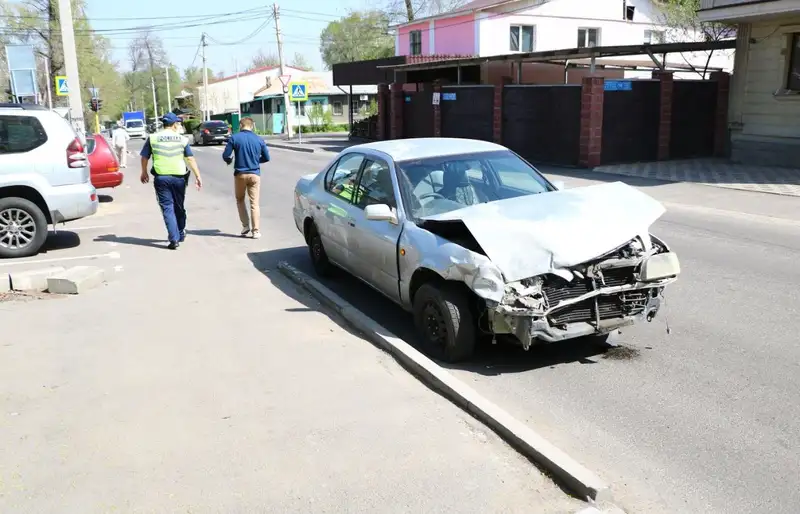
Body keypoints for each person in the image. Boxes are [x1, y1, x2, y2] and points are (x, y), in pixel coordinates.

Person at [140, 112, 203, 250]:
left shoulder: (153, 138)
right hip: (179, 177)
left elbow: (144, 157)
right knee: (179, 207)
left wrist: (144, 172)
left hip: (161, 177)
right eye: (178, 123)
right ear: (174, 124)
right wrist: (198, 175)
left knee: (167, 208)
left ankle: (174, 239)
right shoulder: (181, 139)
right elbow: (190, 158)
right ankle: (180, 232)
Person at [222, 117, 270, 239]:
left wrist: (229, 160)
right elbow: (267, 157)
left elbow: (226, 155)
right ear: (252, 126)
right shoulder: (259, 139)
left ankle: (245, 226)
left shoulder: (235, 138)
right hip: (255, 174)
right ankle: (256, 231)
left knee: (240, 199)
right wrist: (256, 161)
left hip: (240, 174)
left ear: (240, 126)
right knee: (254, 203)